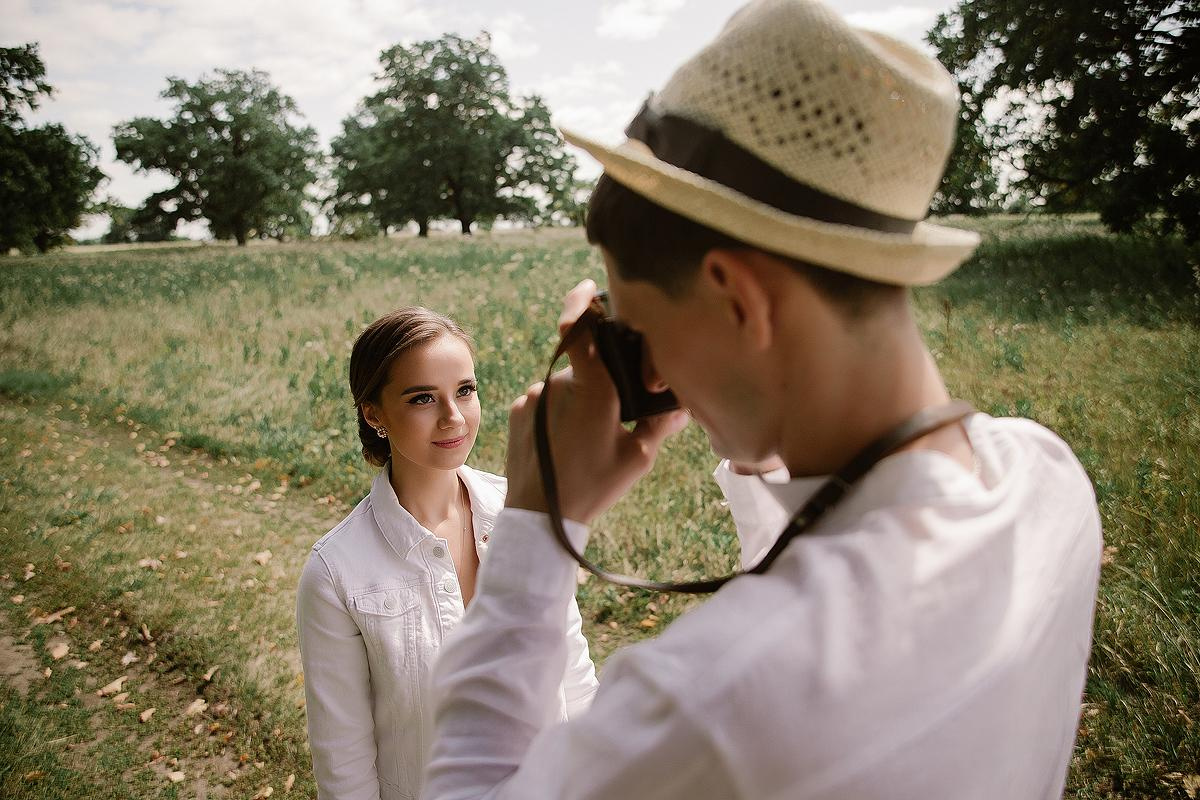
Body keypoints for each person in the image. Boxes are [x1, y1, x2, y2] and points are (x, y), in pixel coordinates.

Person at [421, 1, 1103, 798]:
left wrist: (540, 522)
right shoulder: (1048, 479)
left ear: (739, 299)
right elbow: (838, 560)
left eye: (644, 331)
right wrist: (742, 408)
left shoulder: (717, 698)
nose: (655, 372)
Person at [295, 306, 598, 800]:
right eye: (421, 398)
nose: (452, 417)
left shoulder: (526, 512)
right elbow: (344, 761)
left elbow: (575, 673)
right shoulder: (336, 574)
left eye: (465, 390)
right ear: (374, 414)